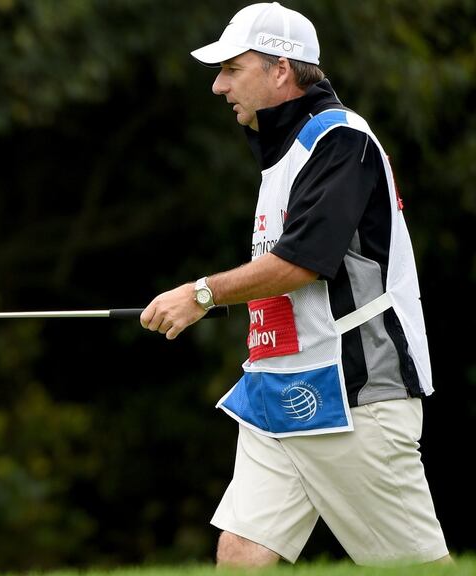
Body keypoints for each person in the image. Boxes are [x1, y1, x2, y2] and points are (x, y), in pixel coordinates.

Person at [138, 2, 450, 568]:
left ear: (280, 70)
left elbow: (303, 261)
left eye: (232, 69)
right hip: (280, 391)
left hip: (356, 393)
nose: (218, 86)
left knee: (413, 569)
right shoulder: (283, 153)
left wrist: (201, 293)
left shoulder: (340, 139)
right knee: (240, 554)